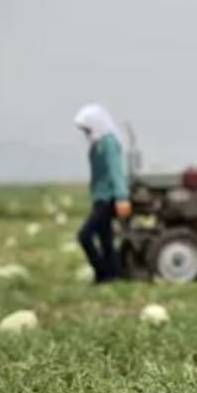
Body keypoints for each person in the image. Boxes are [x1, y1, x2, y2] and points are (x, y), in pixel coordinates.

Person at [74, 103, 132, 284]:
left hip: (109, 198)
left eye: (87, 128)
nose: (85, 133)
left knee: (85, 235)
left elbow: (116, 171)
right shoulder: (97, 144)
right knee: (105, 237)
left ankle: (102, 272)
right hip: (100, 197)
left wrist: (122, 198)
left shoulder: (108, 142)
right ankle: (113, 274)